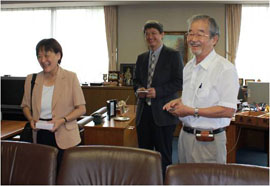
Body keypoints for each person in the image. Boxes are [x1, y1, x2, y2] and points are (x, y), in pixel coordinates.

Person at [163, 15, 239, 164]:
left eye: (199, 34)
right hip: (184, 138)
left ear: (214, 39)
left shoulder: (225, 69)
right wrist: (178, 102)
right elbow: (195, 98)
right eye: (190, 33)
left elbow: (228, 110)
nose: (193, 38)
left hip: (208, 141)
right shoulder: (189, 67)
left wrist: (191, 111)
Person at [21, 38, 86, 169]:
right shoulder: (31, 79)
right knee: (43, 175)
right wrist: (31, 119)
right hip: (40, 134)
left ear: (58, 55)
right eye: (39, 56)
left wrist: (62, 120)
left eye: (46, 55)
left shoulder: (70, 77)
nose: (42, 60)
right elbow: (25, 106)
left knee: (65, 177)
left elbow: (81, 108)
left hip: (65, 135)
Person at [133, 20, 183, 176]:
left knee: (164, 156)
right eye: (147, 34)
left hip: (164, 114)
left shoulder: (173, 55)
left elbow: (179, 82)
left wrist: (158, 92)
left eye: (154, 33)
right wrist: (139, 89)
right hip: (144, 115)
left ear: (162, 35)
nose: (150, 37)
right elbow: (136, 81)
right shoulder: (141, 58)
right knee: (145, 156)